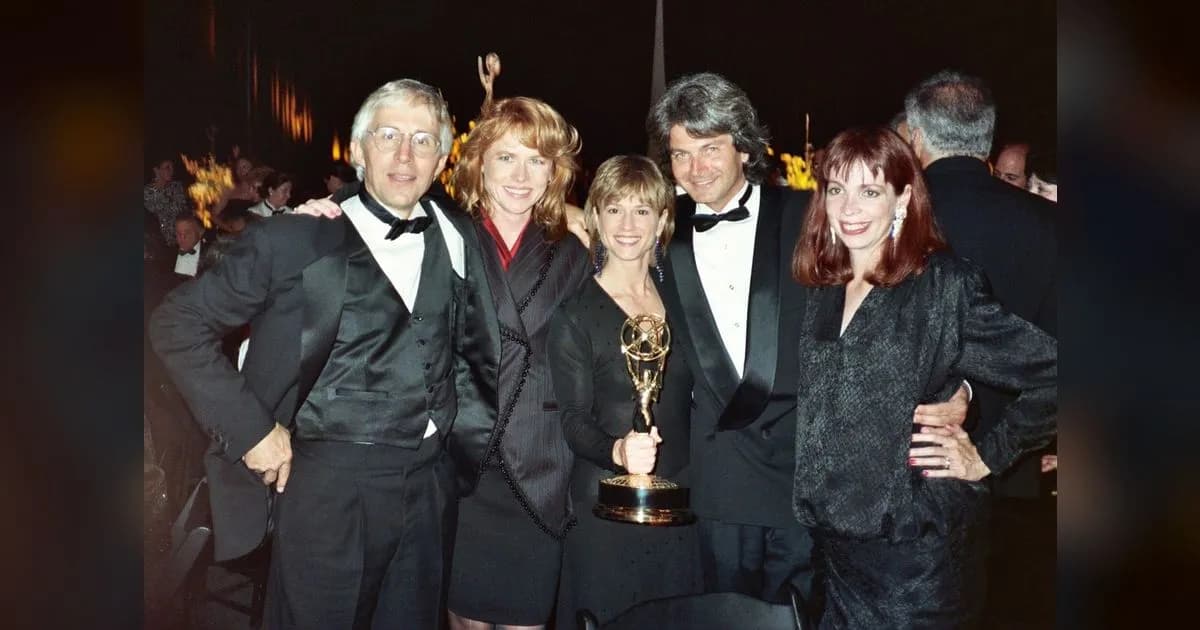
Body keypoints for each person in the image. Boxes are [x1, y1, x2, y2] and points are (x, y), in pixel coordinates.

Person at [149, 78, 497, 630]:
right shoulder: (295, 238)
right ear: (357, 150)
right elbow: (175, 324)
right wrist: (253, 431)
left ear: (441, 160)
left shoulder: (459, 236)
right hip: (329, 489)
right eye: (388, 136)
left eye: (423, 140)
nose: (405, 155)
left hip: (429, 490)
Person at [645, 72, 970, 612]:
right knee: (723, 619)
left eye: (710, 150)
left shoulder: (811, 214)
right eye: (681, 155)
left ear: (744, 149)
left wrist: (953, 386)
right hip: (720, 477)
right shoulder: (658, 230)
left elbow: (901, 300)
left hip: (811, 471)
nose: (695, 169)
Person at [790, 125, 1056, 628]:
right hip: (834, 555)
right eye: (836, 189)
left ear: (903, 198)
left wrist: (987, 455)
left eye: (869, 191)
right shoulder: (824, 284)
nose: (849, 208)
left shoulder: (941, 284)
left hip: (914, 556)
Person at [443, 96, 590, 630]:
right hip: (464, 461)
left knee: (527, 618)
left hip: (541, 464)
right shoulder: (446, 236)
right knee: (464, 621)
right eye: (506, 157)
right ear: (478, 162)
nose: (522, 175)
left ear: (555, 171)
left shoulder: (574, 249)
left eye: (538, 160)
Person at [548, 155, 702, 627]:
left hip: (679, 505)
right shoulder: (575, 314)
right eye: (614, 209)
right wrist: (618, 449)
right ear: (594, 218)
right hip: (602, 511)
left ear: (662, 220)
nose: (628, 224)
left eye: (642, 209)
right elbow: (572, 420)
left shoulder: (684, 299)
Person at [144, 155, 191, 247]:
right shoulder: (147, 193)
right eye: (167, 167)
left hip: (184, 238)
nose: (171, 170)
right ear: (156, 170)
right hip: (162, 243)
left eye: (172, 167)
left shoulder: (177, 187)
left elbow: (187, 209)